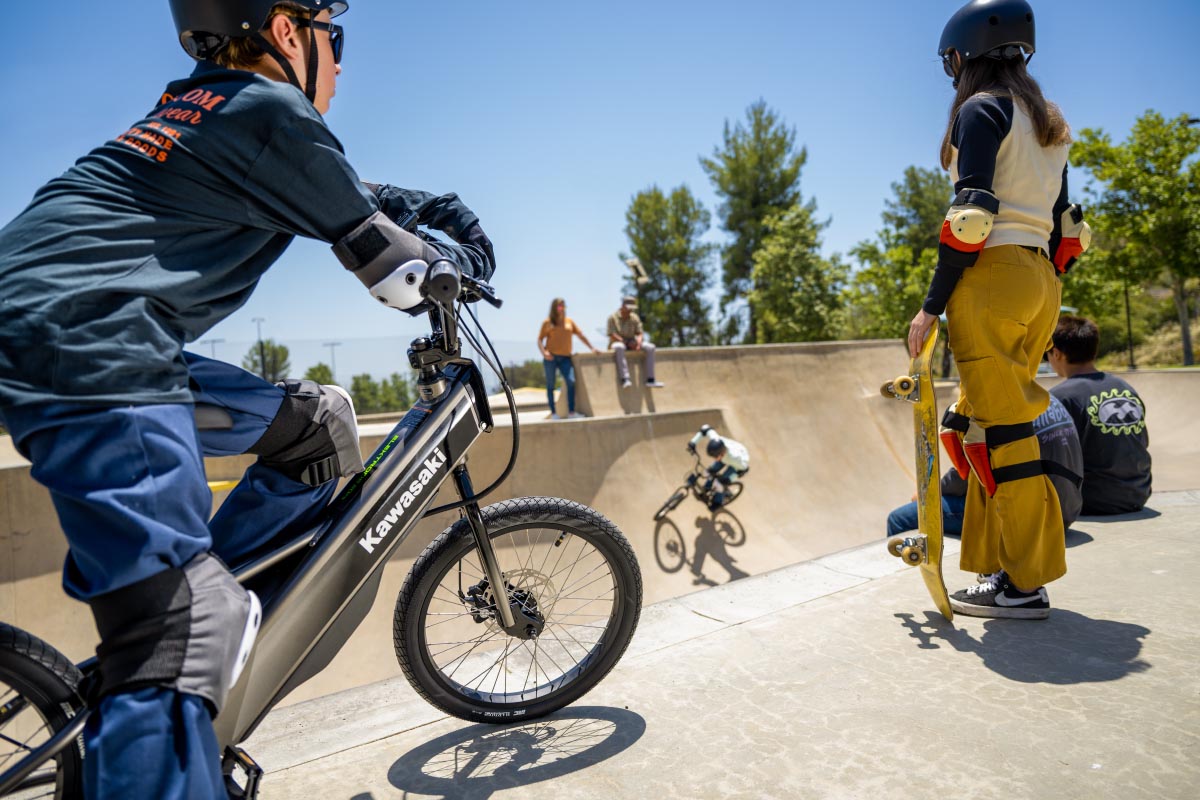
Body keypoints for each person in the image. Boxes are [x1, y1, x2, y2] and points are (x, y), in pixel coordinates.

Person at [0, 2, 494, 797]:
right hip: (94, 349)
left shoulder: (203, 109)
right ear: (289, 32)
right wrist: (457, 263)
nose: (342, 62)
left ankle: (208, 692)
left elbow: (351, 193)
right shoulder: (268, 109)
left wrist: (422, 210)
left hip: (65, 332)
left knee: (318, 428)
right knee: (182, 628)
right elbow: (398, 274)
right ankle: (175, 678)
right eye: (338, 39)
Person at [907, 0, 1091, 619]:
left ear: (964, 57)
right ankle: (992, 567)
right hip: (1041, 278)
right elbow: (1070, 227)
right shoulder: (1048, 125)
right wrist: (1041, 283)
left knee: (1006, 435)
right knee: (977, 425)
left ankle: (1026, 583)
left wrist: (931, 307)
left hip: (991, 275)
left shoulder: (980, 111)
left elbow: (972, 215)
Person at [886, 394, 1084, 537]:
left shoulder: (1000, 408)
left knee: (899, 518)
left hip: (1034, 519)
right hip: (1067, 510)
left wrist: (927, 493)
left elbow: (967, 473)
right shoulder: (1047, 398)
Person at [1049, 315, 1152, 514]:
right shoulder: (1126, 388)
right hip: (1138, 493)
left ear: (1057, 353)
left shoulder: (1060, 397)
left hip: (1093, 499)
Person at [537, 297, 598, 419]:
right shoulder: (547, 322)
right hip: (551, 358)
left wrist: (592, 348)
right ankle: (554, 413)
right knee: (550, 385)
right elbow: (539, 339)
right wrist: (544, 353)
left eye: (563, 305)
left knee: (571, 381)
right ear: (554, 307)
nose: (562, 308)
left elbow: (581, 336)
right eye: (560, 305)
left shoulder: (569, 321)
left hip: (566, 358)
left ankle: (571, 412)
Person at [687, 425, 750, 511]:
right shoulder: (716, 439)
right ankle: (707, 489)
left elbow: (744, 469)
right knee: (709, 472)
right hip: (729, 452)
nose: (714, 458)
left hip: (738, 463)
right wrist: (693, 442)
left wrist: (727, 480)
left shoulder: (735, 458)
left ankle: (718, 501)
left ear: (721, 454)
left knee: (719, 483)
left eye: (715, 456)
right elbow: (705, 428)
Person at [607, 296, 665, 389]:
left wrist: (638, 343)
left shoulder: (634, 317)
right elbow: (612, 334)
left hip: (632, 341)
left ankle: (650, 379)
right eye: (629, 308)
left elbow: (639, 333)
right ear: (623, 306)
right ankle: (625, 378)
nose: (631, 310)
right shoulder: (612, 317)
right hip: (618, 342)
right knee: (619, 347)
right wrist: (626, 342)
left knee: (651, 347)